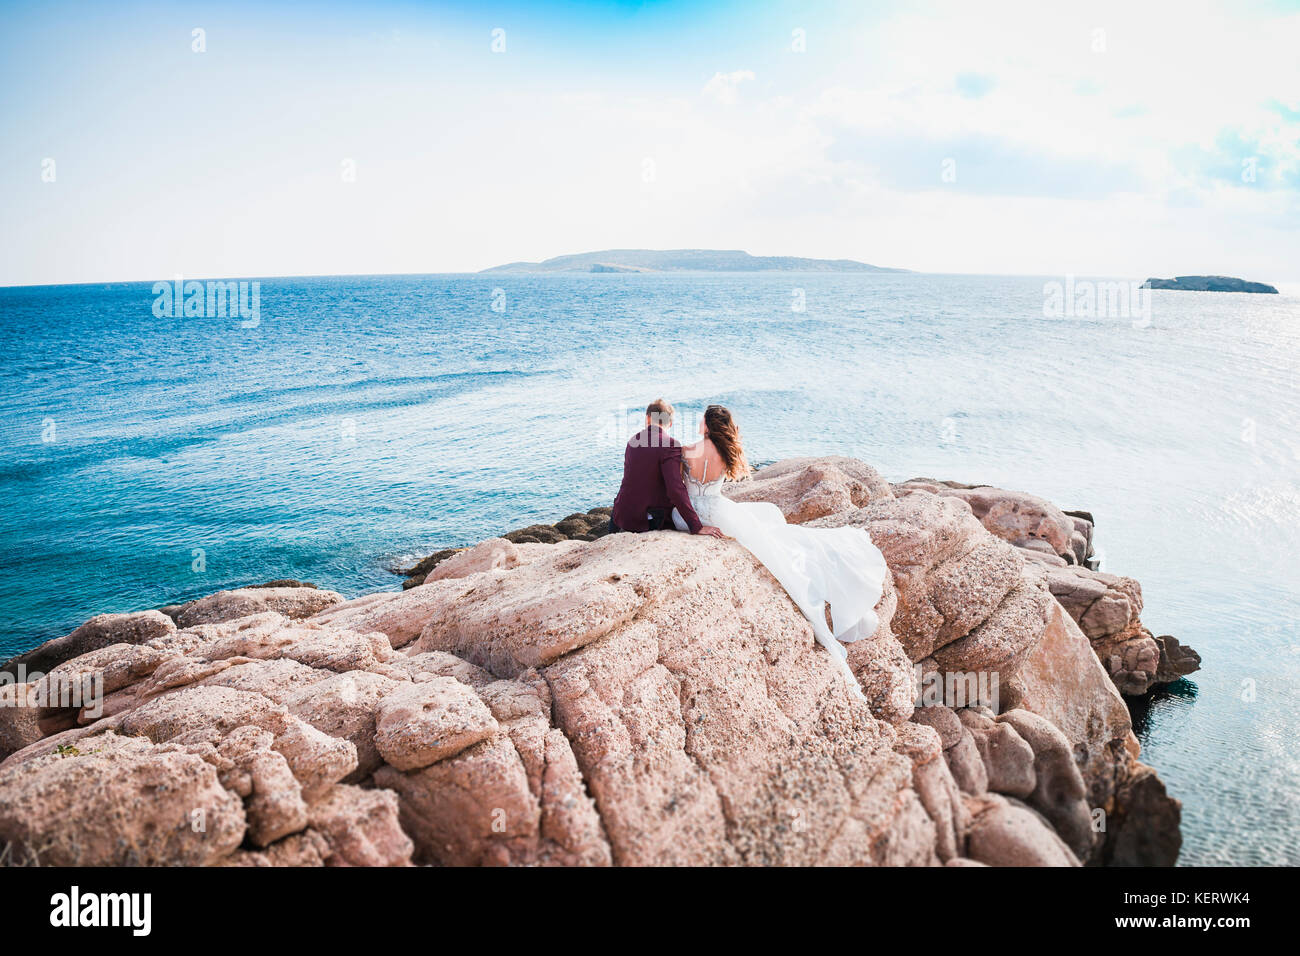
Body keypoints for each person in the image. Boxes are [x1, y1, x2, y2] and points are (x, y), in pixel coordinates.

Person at [671, 404, 888, 698]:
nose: (698, 424)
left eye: (701, 421)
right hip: (717, 512)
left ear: (706, 424)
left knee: (768, 523)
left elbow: (673, 484)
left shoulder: (685, 451)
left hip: (685, 517)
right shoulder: (727, 453)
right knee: (772, 534)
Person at [609, 398, 725, 538]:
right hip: (647, 519)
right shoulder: (670, 445)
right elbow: (675, 488)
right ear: (670, 423)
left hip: (622, 513)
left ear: (648, 418)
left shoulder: (633, 441)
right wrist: (696, 526)